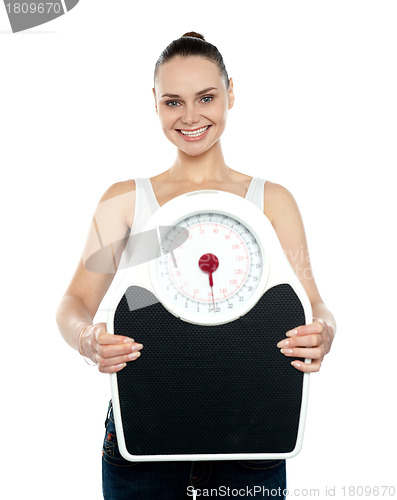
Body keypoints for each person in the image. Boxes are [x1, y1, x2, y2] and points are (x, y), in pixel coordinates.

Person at [56, 31, 336, 500]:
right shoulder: (126, 200)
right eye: (173, 102)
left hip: (252, 444)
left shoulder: (271, 202)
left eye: (206, 97)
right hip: (141, 441)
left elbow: (315, 307)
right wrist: (87, 340)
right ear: (155, 103)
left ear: (231, 92)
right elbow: (74, 302)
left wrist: (324, 333)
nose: (190, 117)